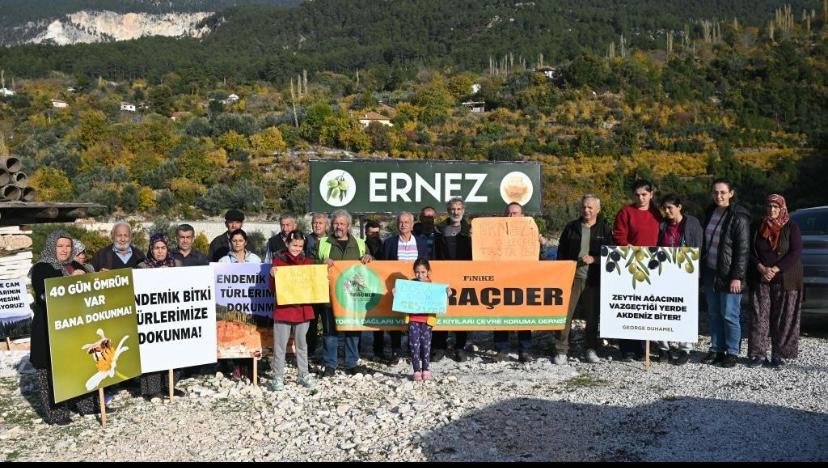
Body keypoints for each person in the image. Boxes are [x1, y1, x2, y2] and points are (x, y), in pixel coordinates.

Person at [30, 231, 97, 424]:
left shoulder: (77, 265)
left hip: (76, 328)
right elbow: (45, 295)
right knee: (50, 372)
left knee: (81, 365)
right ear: (52, 247)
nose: (64, 249)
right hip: (49, 329)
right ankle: (57, 413)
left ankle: (86, 405)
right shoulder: (42, 267)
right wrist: (70, 280)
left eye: (68, 246)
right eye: (60, 246)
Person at [314, 209, 373, 376]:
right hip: (329, 295)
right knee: (329, 332)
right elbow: (310, 261)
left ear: (348, 225)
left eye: (341, 223)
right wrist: (321, 261)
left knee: (352, 330)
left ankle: (351, 363)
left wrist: (369, 258)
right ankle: (330, 365)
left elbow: (371, 263)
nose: (338, 226)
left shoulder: (360, 244)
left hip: (352, 296)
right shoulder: (323, 243)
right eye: (335, 223)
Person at [555, 194, 612, 365]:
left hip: (594, 279)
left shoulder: (605, 230)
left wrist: (595, 259)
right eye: (583, 207)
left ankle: (591, 349)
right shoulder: (571, 227)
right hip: (572, 278)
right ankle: (561, 350)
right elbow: (561, 253)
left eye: (590, 207)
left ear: (598, 209)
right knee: (565, 315)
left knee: (592, 316)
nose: (586, 210)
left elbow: (612, 256)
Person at [748, 194, 803, 368]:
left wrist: (775, 269)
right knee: (759, 316)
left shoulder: (791, 226)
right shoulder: (757, 226)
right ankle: (758, 354)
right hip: (761, 276)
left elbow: (795, 252)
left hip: (786, 277)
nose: (772, 210)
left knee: (784, 317)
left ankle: (780, 355)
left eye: (776, 207)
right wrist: (761, 267)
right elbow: (748, 250)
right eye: (769, 206)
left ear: (782, 208)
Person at [701, 178, 750, 368]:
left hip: (730, 275)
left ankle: (732, 352)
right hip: (711, 271)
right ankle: (716, 349)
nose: (718, 196)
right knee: (714, 313)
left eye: (722, 192)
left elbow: (743, 250)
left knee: (730, 314)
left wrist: (737, 276)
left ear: (731, 193)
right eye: (715, 192)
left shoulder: (739, 216)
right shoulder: (710, 212)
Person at [612, 180, 661, 361]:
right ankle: (627, 348)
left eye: (644, 194)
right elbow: (618, 235)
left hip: (652, 267)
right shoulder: (626, 212)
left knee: (646, 306)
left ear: (651, 194)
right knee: (629, 305)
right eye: (637, 195)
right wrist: (628, 247)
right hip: (630, 266)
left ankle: (643, 348)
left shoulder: (657, 214)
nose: (641, 198)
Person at [654, 194, 703, 365]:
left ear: (679, 207)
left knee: (684, 310)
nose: (667, 211)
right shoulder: (662, 225)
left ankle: (685, 348)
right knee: (662, 309)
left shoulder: (692, 223)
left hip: (685, 275)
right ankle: (663, 348)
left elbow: (698, 247)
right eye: (664, 208)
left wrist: (695, 273)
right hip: (664, 274)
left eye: (670, 208)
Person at [376, 212, 430, 364]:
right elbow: (383, 265)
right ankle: (396, 350)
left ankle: (414, 351)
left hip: (417, 288)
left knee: (417, 321)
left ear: (412, 225)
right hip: (397, 288)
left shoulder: (421, 242)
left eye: (407, 222)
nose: (404, 224)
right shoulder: (389, 243)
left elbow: (425, 265)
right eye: (401, 222)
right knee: (396, 318)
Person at [136, 233, 184, 397]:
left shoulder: (176, 264)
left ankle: (169, 385)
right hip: (152, 317)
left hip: (173, 315)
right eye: (156, 248)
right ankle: (152, 389)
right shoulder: (142, 266)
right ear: (151, 249)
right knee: (153, 352)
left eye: (163, 248)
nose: (160, 251)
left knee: (174, 350)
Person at [268, 231, 316, 390]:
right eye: (294, 245)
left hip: (303, 310)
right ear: (287, 244)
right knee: (280, 346)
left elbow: (313, 286)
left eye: (300, 246)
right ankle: (277, 377)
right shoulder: (278, 261)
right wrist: (272, 276)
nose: (297, 248)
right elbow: (271, 289)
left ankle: (303, 375)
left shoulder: (307, 261)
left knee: (302, 345)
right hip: (283, 310)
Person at [493, 202, 534, 363]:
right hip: (501, 279)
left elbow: (540, 256)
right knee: (500, 314)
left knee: (523, 314)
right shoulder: (496, 233)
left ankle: (524, 350)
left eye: (515, 213)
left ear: (522, 216)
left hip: (523, 278)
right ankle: (501, 349)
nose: (511, 216)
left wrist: (542, 244)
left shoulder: (530, 232)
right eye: (509, 213)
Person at [432, 197, 472, 362]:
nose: (455, 212)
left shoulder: (470, 229)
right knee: (441, 311)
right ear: (448, 211)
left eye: (458, 209)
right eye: (452, 209)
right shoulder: (439, 229)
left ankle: (460, 347)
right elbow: (434, 252)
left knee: (461, 312)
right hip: (443, 276)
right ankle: (439, 347)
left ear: (463, 210)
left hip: (464, 276)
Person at [395, 258, 442, 381]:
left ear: (428, 271)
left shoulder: (432, 286)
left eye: (423, 272)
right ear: (414, 272)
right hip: (413, 320)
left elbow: (442, 296)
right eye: (417, 272)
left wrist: (447, 293)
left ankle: (426, 369)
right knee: (414, 346)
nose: (420, 274)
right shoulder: (410, 285)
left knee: (426, 346)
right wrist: (397, 294)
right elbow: (402, 297)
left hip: (427, 321)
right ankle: (416, 370)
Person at [303, 212, 329, 359]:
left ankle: (327, 353)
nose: (317, 225)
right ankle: (310, 351)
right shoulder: (306, 240)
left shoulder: (332, 241)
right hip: (310, 288)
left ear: (326, 225)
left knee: (327, 323)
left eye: (320, 223)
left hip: (326, 288)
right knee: (311, 323)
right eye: (314, 222)